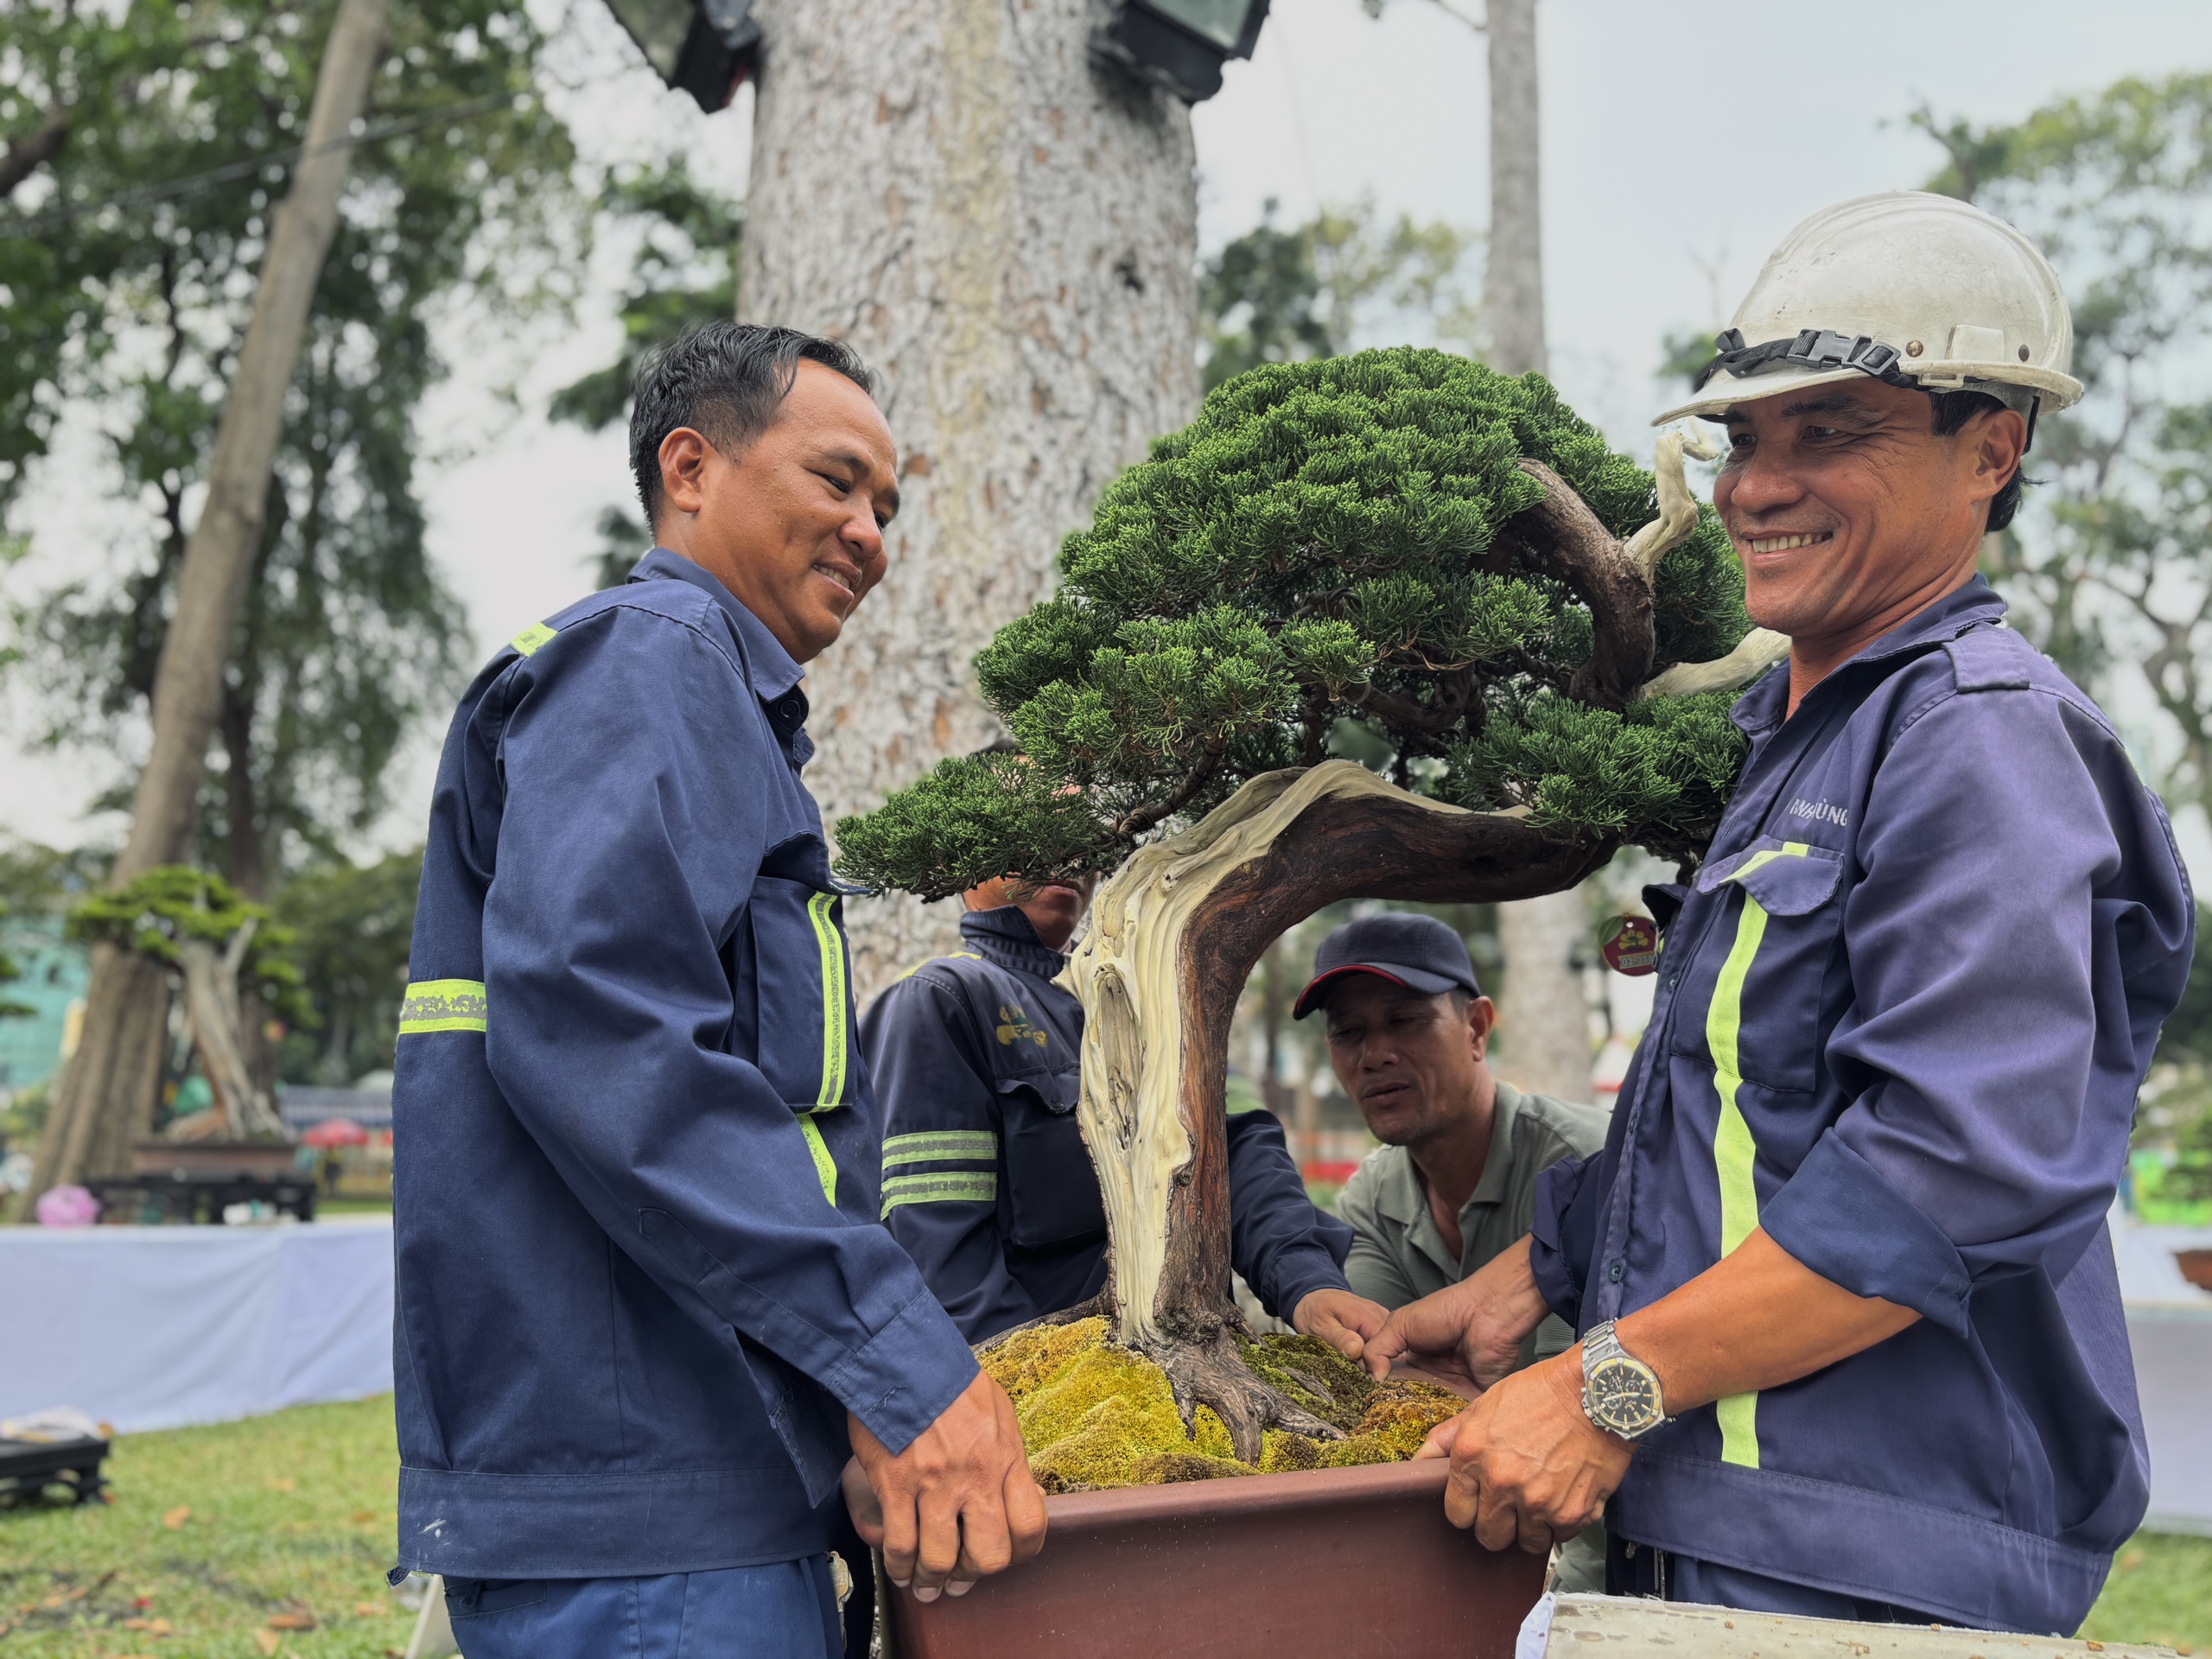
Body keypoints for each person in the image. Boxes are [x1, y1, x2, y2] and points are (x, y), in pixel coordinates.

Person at [1364, 192, 2196, 1636]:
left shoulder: (1977, 739)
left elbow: (1952, 1174)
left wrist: (1606, 1382)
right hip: (1745, 1524)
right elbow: (1731, 1122)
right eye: (1749, 436)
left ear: (1992, 446)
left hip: (1873, 1554)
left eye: (1834, 433)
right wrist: (1518, 1285)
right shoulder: (1799, 737)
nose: (1758, 484)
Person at [389, 323, 1044, 1659]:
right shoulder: (655, 659)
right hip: (650, 1524)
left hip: (683, 1491)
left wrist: (827, 1406)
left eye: (887, 505)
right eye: (836, 481)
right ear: (691, 467)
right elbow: (612, 1039)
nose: (870, 531)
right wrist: (898, 1370)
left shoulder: (703, 704)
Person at [862, 862, 1387, 1359]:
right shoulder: (942, 1001)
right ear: (970, 859)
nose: (1064, 857)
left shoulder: (1146, 994)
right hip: (1060, 1401)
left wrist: (1306, 1281)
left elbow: (1237, 1149)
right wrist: (1042, 1391)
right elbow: (941, 1258)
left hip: (1188, 1368)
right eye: (1039, 825)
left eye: (1080, 836)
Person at [1302, 911, 1608, 1590]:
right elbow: (1371, 1380)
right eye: (1348, 1032)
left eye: (1406, 1019)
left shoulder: (1591, 1171)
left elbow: (1579, 1420)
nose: (1374, 1053)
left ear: (1476, 1028)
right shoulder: (1372, 1199)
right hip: (1463, 1553)